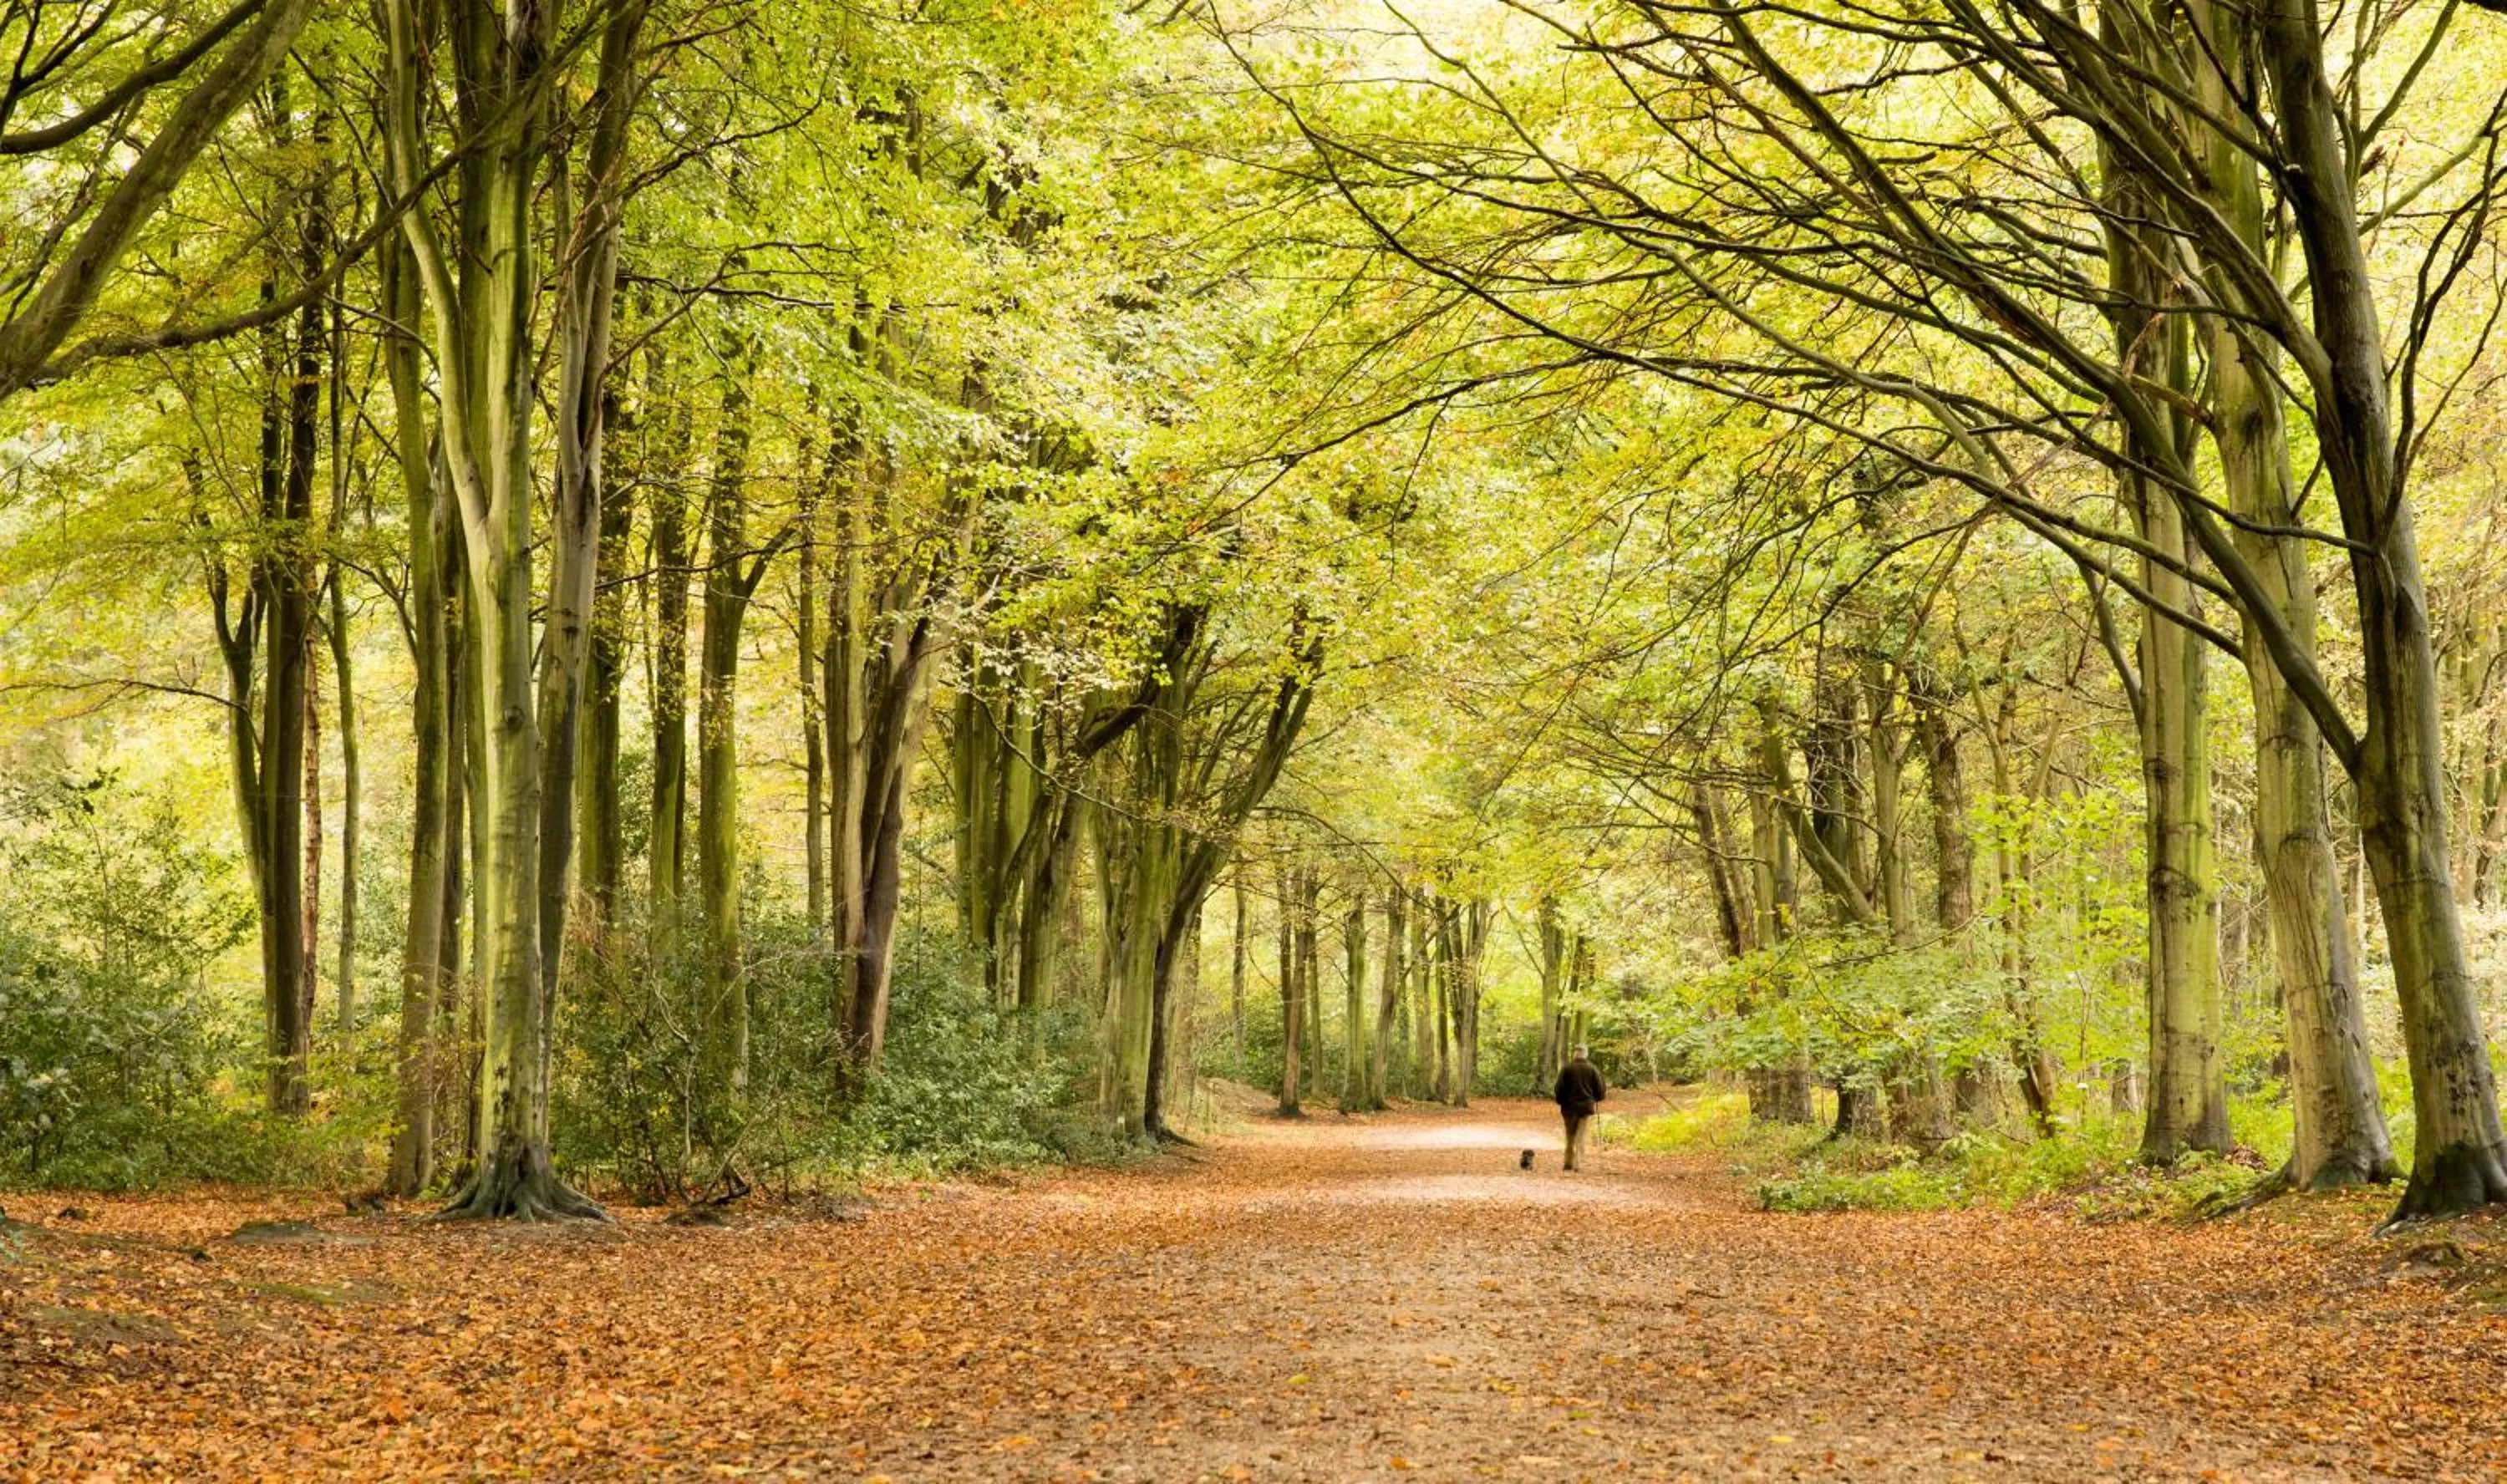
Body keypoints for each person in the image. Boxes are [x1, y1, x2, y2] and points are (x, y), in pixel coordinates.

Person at [1554, 1044, 1604, 1171]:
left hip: (1569, 1108)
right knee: (1581, 1135)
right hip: (1586, 1107)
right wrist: (1597, 1098)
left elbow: (1558, 1089)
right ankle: (1578, 1164)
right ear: (1585, 1054)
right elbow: (1600, 1089)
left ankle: (1568, 1162)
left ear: (1575, 1054)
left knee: (1570, 1135)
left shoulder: (1567, 1068)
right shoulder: (1592, 1069)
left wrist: (1561, 1102)